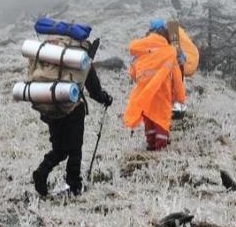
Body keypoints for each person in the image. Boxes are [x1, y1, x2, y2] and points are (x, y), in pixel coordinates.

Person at [32, 55, 113, 197]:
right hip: (73, 109)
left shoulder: (52, 55)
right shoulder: (81, 58)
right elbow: (94, 90)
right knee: (75, 149)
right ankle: (74, 185)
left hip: (51, 107)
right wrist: (106, 98)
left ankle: (42, 171)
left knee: (60, 149)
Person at [124, 19, 186, 151]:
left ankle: (150, 146)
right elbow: (177, 78)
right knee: (161, 123)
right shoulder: (170, 51)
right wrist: (180, 98)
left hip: (145, 94)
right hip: (162, 95)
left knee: (149, 123)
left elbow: (133, 73)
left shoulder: (142, 51)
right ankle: (159, 152)